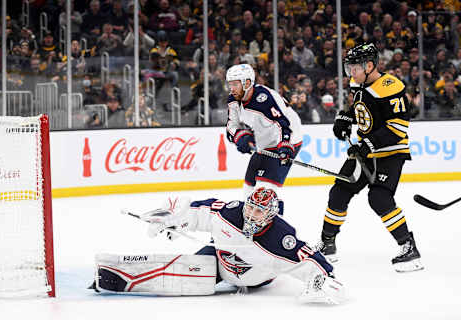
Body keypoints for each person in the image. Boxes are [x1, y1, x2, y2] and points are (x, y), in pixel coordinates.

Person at [90, 188, 346, 304]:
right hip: (220, 258)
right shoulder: (230, 213)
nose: (251, 214)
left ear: (270, 215)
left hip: (252, 277)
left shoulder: (280, 238)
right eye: (250, 207)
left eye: (258, 212)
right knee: (188, 269)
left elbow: (309, 257)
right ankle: (115, 277)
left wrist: (324, 278)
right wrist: (173, 220)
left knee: (197, 270)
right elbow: (197, 210)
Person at [315, 43, 423, 273]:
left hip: (390, 153)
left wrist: (368, 144)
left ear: (370, 66)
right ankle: (327, 244)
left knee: (379, 199)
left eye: (354, 67)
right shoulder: (358, 83)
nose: (350, 72)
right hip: (365, 150)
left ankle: (408, 247)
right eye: (349, 67)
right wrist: (344, 117)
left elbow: (398, 127)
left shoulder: (391, 87)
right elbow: (358, 108)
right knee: (339, 192)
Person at [225, 64, 303, 197]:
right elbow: (231, 126)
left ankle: (275, 216)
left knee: (264, 194)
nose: (231, 89)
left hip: (286, 140)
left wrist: (284, 146)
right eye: (229, 84)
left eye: (235, 84)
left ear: (247, 83)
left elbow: (284, 124)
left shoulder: (264, 98)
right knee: (248, 191)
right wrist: (240, 137)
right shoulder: (233, 100)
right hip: (264, 142)